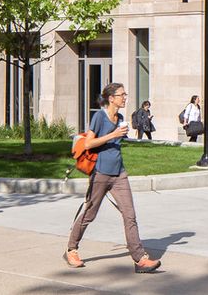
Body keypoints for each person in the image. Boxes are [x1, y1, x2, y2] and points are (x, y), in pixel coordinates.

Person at [64, 82, 160, 273]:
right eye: (122, 94)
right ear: (111, 98)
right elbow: (89, 143)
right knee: (89, 214)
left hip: (119, 173)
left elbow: (117, 141)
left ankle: (140, 259)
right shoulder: (99, 116)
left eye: (125, 94)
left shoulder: (121, 117)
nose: (125, 97)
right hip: (100, 173)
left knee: (130, 215)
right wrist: (113, 134)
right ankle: (71, 249)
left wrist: (122, 133)